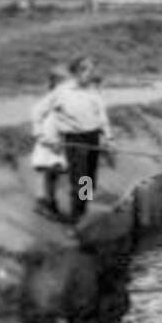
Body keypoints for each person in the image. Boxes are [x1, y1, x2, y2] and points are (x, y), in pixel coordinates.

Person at [51, 55, 114, 221]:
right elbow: (52, 114)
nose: (89, 73)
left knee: (89, 178)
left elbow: (101, 115)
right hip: (74, 138)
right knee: (80, 178)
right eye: (85, 69)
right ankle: (76, 216)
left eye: (91, 70)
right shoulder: (63, 91)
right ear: (75, 72)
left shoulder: (93, 91)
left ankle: (83, 210)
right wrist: (55, 136)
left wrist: (108, 137)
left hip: (92, 136)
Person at [30, 64, 70, 220]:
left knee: (52, 172)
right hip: (50, 140)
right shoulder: (54, 98)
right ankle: (47, 204)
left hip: (58, 139)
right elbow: (36, 113)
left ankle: (48, 203)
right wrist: (44, 137)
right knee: (49, 171)